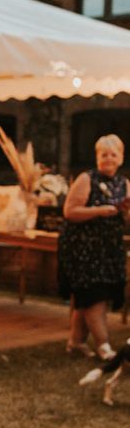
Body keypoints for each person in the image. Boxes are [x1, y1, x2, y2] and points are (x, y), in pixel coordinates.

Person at [58, 134, 130, 359]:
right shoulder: (86, 179)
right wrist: (99, 211)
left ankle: (75, 342)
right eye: (103, 154)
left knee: (89, 298)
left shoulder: (124, 183)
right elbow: (70, 212)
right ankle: (103, 345)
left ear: (121, 158)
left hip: (109, 250)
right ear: (97, 157)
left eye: (113, 154)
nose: (108, 159)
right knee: (94, 296)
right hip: (84, 250)